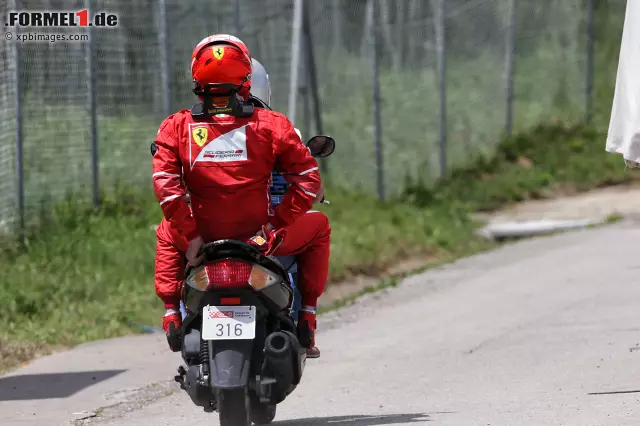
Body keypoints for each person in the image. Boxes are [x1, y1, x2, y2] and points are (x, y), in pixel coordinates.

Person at [152, 34, 330, 358]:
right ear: (247, 79)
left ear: (196, 78)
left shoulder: (175, 127)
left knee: (166, 231)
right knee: (320, 227)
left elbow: (166, 187)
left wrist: (191, 235)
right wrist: (273, 229)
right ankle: (307, 315)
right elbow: (307, 181)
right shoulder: (272, 125)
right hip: (259, 239)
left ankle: (171, 314)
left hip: (201, 239)